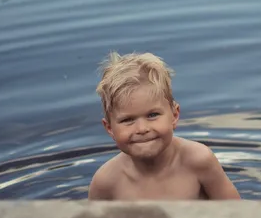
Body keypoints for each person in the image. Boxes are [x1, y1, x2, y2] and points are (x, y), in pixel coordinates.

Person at [88, 51, 241, 200]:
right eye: (128, 120)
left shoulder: (198, 160)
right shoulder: (106, 182)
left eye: (152, 115)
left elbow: (238, 211)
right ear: (109, 128)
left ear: (174, 115)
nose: (142, 129)